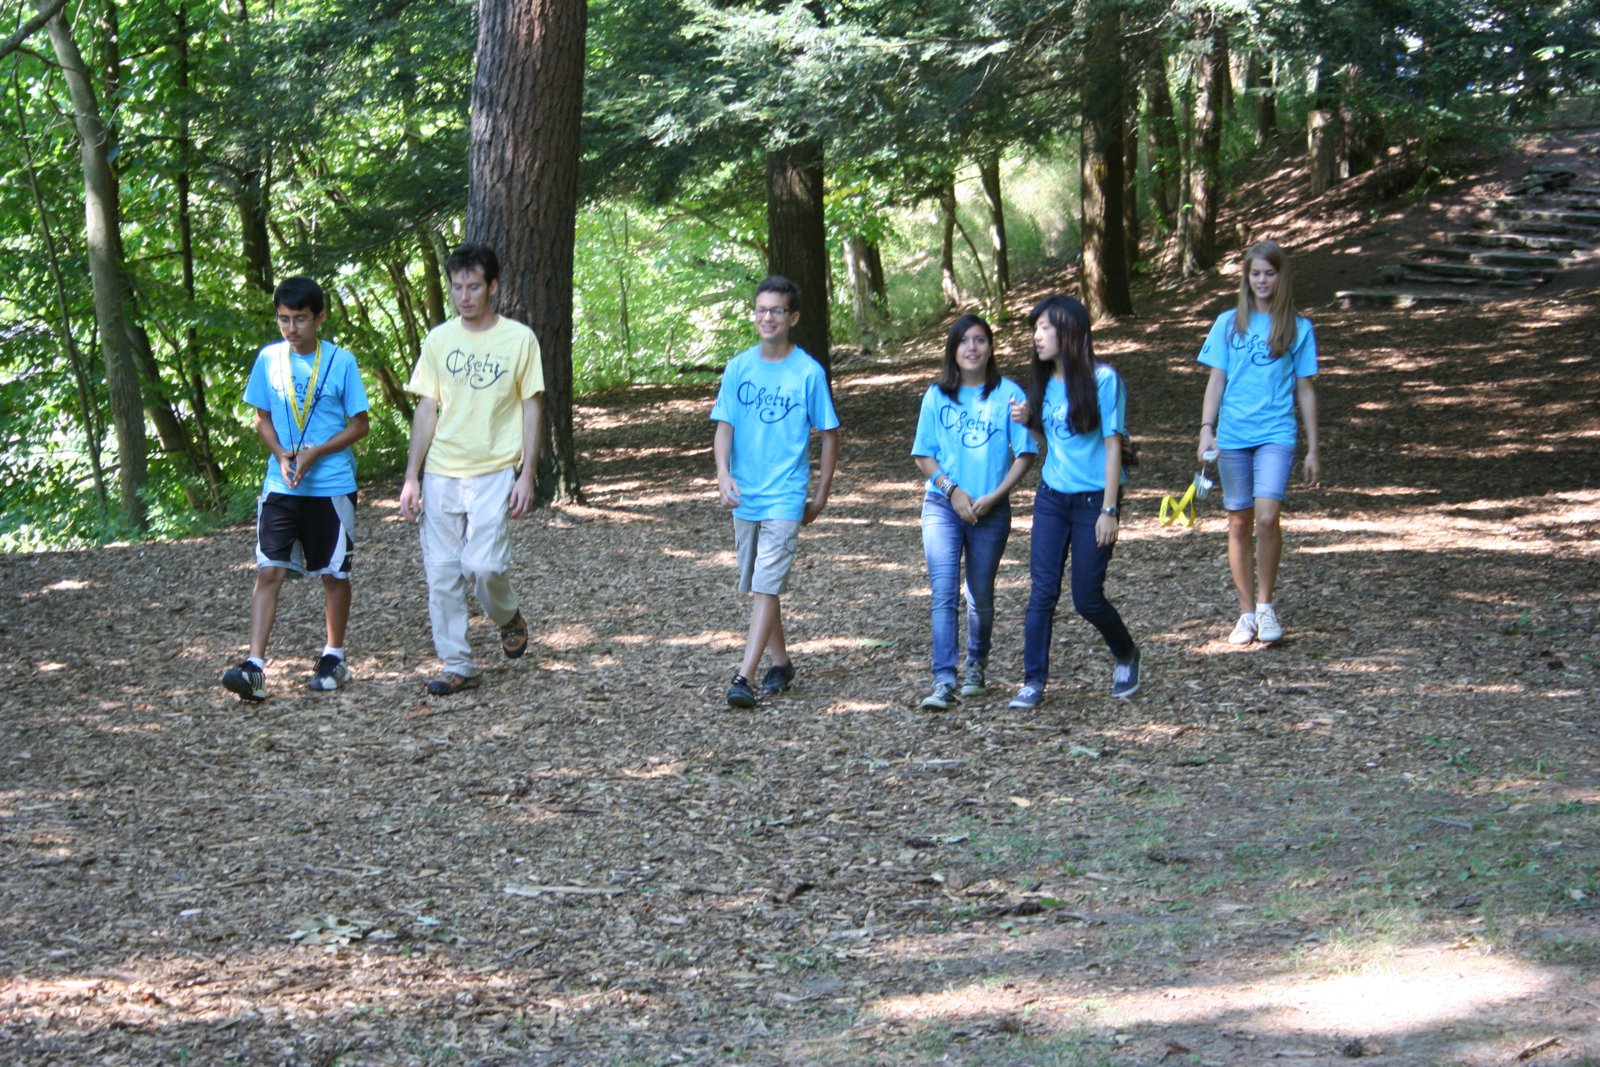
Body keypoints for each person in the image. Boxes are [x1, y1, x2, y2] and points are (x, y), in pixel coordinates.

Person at [398, 243, 544, 695]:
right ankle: (458, 664)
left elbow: (532, 406)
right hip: (442, 471)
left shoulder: (519, 339)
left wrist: (527, 473)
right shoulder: (439, 340)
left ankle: (506, 614)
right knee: (442, 572)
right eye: (457, 287)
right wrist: (411, 476)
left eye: (474, 287)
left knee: (483, 566)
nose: (464, 296)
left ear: (492, 287)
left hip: (495, 470)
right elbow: (427, 408)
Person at [221, 276, 371, 702]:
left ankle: (333, 656)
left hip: (331, 485)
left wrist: (315, 453)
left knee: (334, 573)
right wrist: (282, 454)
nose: (291, 328)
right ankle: (254, 666)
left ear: (319, 317)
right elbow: (261, 418)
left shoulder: (341, 361)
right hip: (281, 485)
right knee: (269, 570)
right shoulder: (268, 359)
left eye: (301, 319)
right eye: (284, 319)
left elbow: (360, 425)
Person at [712, 275, 840, 709]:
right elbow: (724, 426)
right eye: (761, 310)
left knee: (767, 584)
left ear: (793, 317)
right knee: (760, 584)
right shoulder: (738, 368)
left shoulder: (808, 372)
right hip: (745, 494)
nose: (768, 317)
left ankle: (743, 677)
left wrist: (821, 494)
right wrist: (722, 475)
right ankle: (781, 663)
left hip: (786, 494)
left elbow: (829, 433)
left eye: (777, 311)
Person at [1009, 295, 1140, 709]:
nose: (1037, 336)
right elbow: (1053, 443)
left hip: (1093, 502)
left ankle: (1126, 653)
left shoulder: (1104, 380)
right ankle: (1033, 681)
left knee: (1086, 598)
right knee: (1042, 592)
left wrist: (1109, 509)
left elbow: (1113, 446)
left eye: (1045, 328)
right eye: (1035, 329)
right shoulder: (1044, 381)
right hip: (1052, 498)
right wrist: (1029, 422)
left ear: (1070, 332)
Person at [1195, 239, 1320, 645]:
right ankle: (1246, 613)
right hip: (1233, 435)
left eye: (1269, 273)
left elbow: (1305, 389)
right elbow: (1216, 380)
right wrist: (1206, 428)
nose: (1262, 280)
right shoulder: (1228, 323)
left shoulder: (1298, 328)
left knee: (1267, 518)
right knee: (1238, 521)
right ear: (1246, 278)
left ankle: (1266, 606)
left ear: (1281, 277)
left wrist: (1313, 447)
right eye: (1255, 274)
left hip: (1276, 434)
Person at [911, 315, 1037, 710]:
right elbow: (923, 455)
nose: (972, 348)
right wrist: (952, 491)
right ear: (952, 349)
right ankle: (943, 680)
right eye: (964, 341)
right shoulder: (936, 396)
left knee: (979, 594)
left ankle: (976, 665)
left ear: (990, 347)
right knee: (943, 593)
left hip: (991, 510)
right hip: (942, 505)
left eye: (980, 340)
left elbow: (1026, 454)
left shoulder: (1009, 394)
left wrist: (995, 497)